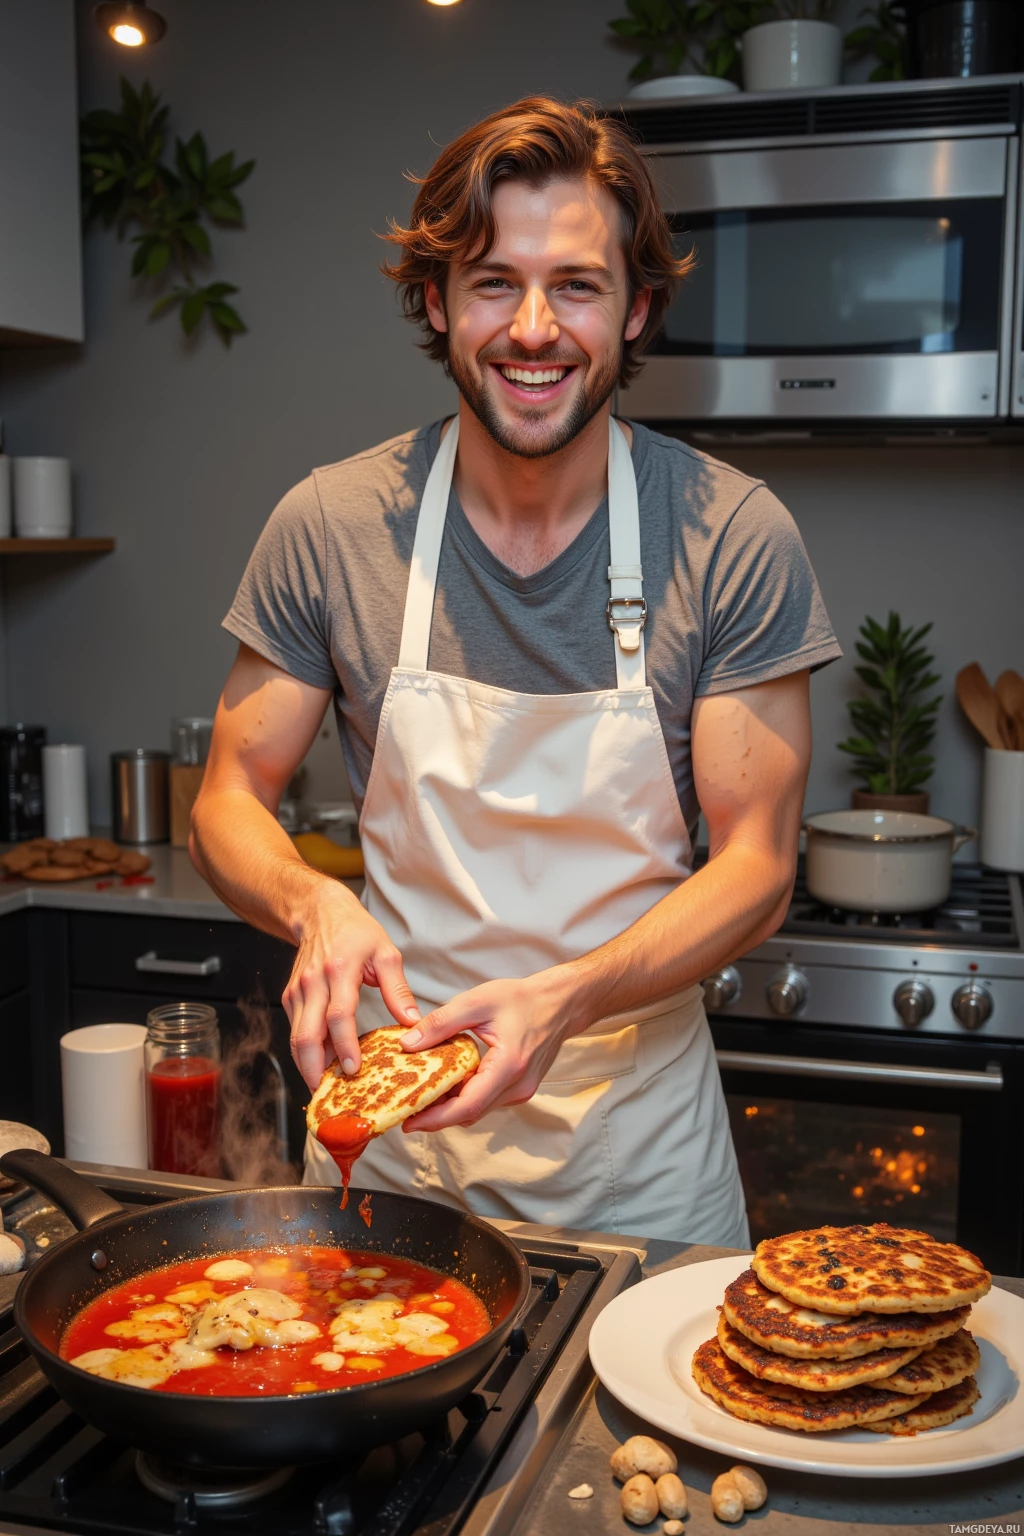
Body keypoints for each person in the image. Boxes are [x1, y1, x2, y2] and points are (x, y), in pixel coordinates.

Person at [191, 97, 841, 1242]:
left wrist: (565, 998)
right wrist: (313, 904)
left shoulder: (730, 535)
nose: (533, 328)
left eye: (577, 286)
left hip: (637, 1161)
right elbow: (228, 800)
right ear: (437, 305)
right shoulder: (334, 526)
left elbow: (757, 865)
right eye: (492, 282)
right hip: (389, 1153)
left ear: (635, 311)